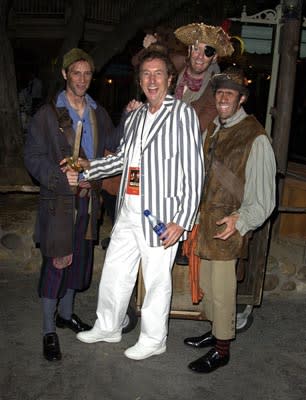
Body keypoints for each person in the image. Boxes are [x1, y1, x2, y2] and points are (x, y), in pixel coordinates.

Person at [72, 49, 204, 361]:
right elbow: (121, 159)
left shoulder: (182, 114)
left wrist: (182, 220)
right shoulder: (136, 117)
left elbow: (195, 170)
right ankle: (109, 325)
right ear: (140, 81)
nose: (152, 79)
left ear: (170, 79)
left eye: (159, 73)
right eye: (146, 74)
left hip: (162, 216)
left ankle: (154, 339)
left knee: (157, 280)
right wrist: (86, 169)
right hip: (129, 208)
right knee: (116, 270)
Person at [24, 48, 121, 362]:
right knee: (57, 263)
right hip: (59, 202)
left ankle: (66, 315)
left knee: (78, 259)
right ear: (65, 74)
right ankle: (48, 330)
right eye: (76, 73)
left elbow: (112, 145)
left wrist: (130, 116)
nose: (82, 79)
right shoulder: (48, 115)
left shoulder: (98, 112)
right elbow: (32, 157)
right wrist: (57, 175)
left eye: (87, 73)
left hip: (88, 200)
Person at [183, 67, 276, 373]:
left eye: (230, 94)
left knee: (223, 292)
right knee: (209, 285)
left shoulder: (256, 137)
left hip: (229, 227)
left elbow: (264, 198)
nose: (223, 98)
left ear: (242, 98)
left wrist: (242, 221)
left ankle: (222, 350)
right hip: (206, 223)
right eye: (219, 93)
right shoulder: (212, 128)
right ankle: (214, 332)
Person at [139, 23, 234, 266]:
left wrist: (160, 113)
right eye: (196, 49)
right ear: (189, 50)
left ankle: (182, 242)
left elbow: (195, 123)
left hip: (197, 148)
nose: (200, 56)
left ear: (215, 56)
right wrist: (153, 43)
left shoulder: (216, 84)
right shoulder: (178, 67)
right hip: (166, 141)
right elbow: (144, 64)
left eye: (208, 51)